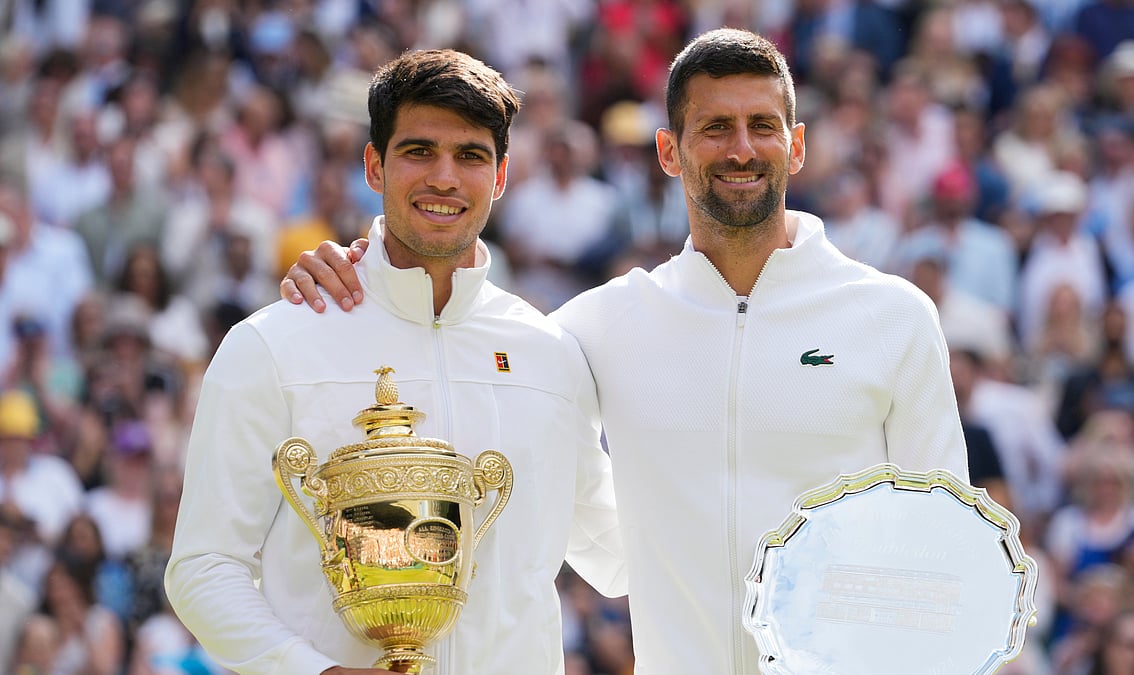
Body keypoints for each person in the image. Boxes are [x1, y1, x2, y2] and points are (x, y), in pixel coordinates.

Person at [283, 29, 970, 674]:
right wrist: (364, 277)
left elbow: (949, 552)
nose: (741, 149)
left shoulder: (894, 318)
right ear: (669, 151)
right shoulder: (595, 327)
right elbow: (452, 345)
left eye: (762, 125)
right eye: (715, 127)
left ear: (796, 146)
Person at [164, 49, 626, 675]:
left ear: (501, 175)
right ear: (374, 166)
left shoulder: (550, 354)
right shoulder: (273, 344)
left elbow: (617, 555)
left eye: (470, 156)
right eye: (419, 151)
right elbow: (204, 567)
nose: (444, 178)